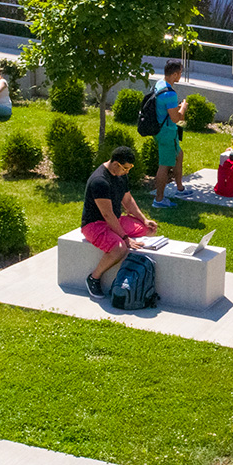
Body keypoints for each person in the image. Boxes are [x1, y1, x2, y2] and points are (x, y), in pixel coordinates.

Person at [82, 147, 159, 297]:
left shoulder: (121, 175)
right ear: (116, 164)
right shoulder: (100, 181)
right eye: (126, 168)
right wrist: (125, 238)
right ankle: (93, 278)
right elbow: (107, 214)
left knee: (148, 229)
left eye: (130, 168)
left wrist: (144, 219)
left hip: (115, 220)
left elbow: (128, 201)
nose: (127, 172)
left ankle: (135, 266)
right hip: (95, 224)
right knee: (119, 248)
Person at [152, 59, 193, 208]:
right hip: (167, 132)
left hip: (163, 130)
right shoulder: (170, 94)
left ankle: (180, 188)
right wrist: (183, 107)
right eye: (180, 73)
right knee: (164, 165)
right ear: (175, 74)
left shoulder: (159, 84)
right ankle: (159, 200)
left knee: (178, 155)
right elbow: (176, 118)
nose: (181, 75)